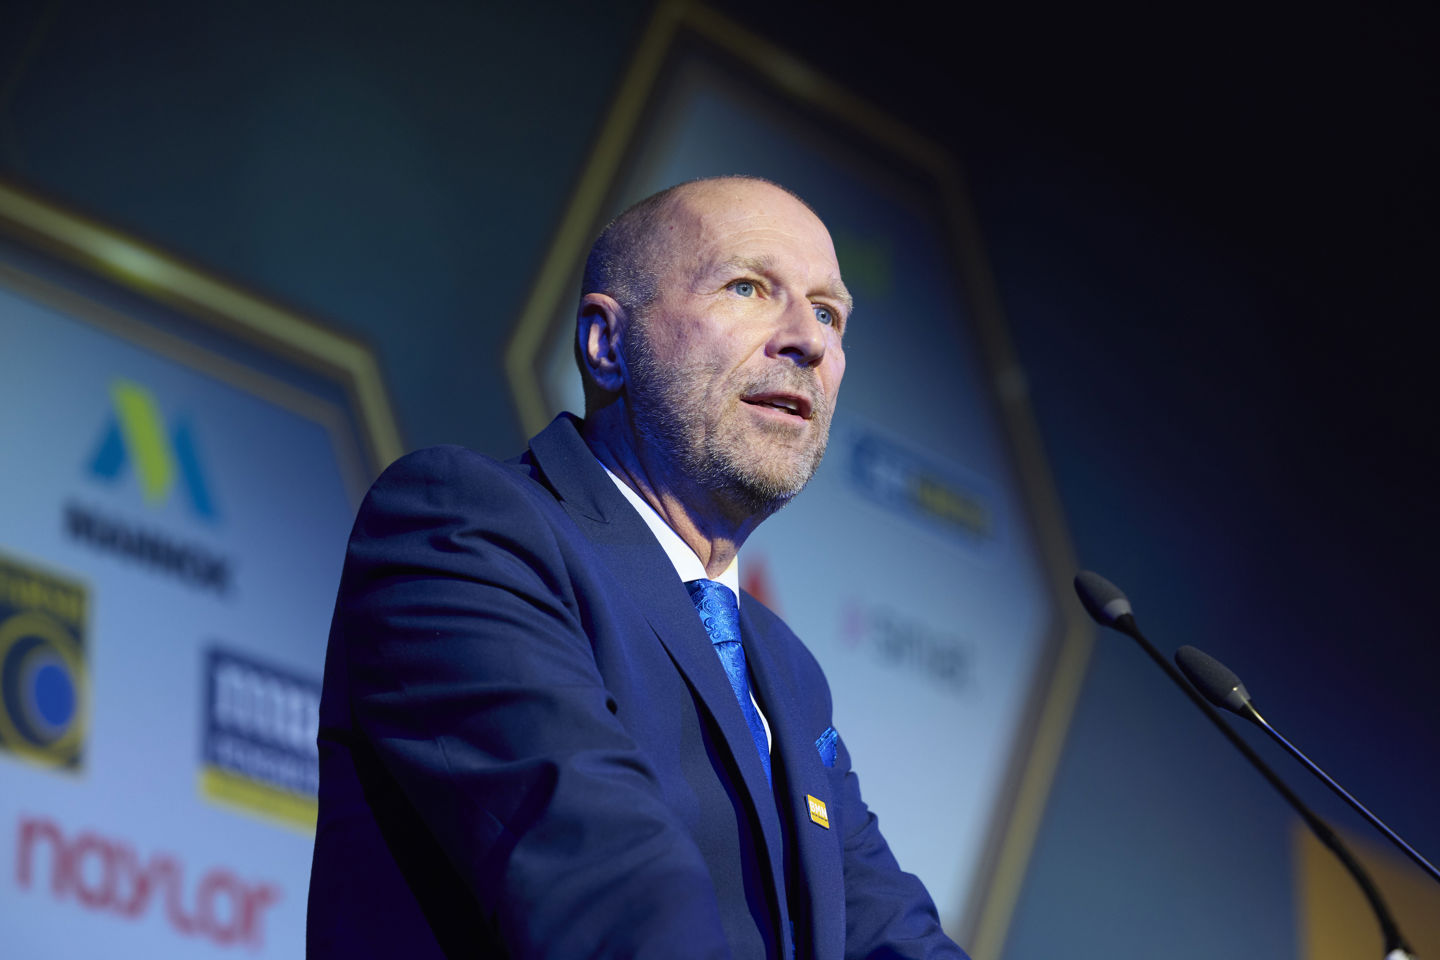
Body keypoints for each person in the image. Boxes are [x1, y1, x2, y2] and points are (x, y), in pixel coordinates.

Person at [306, 176, 968, 960]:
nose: (809, 340)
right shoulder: (463, 527)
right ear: (606, 344)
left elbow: (888, 932)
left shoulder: (786, 669)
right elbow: (610, 888)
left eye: (828, 312)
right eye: (748, 288)